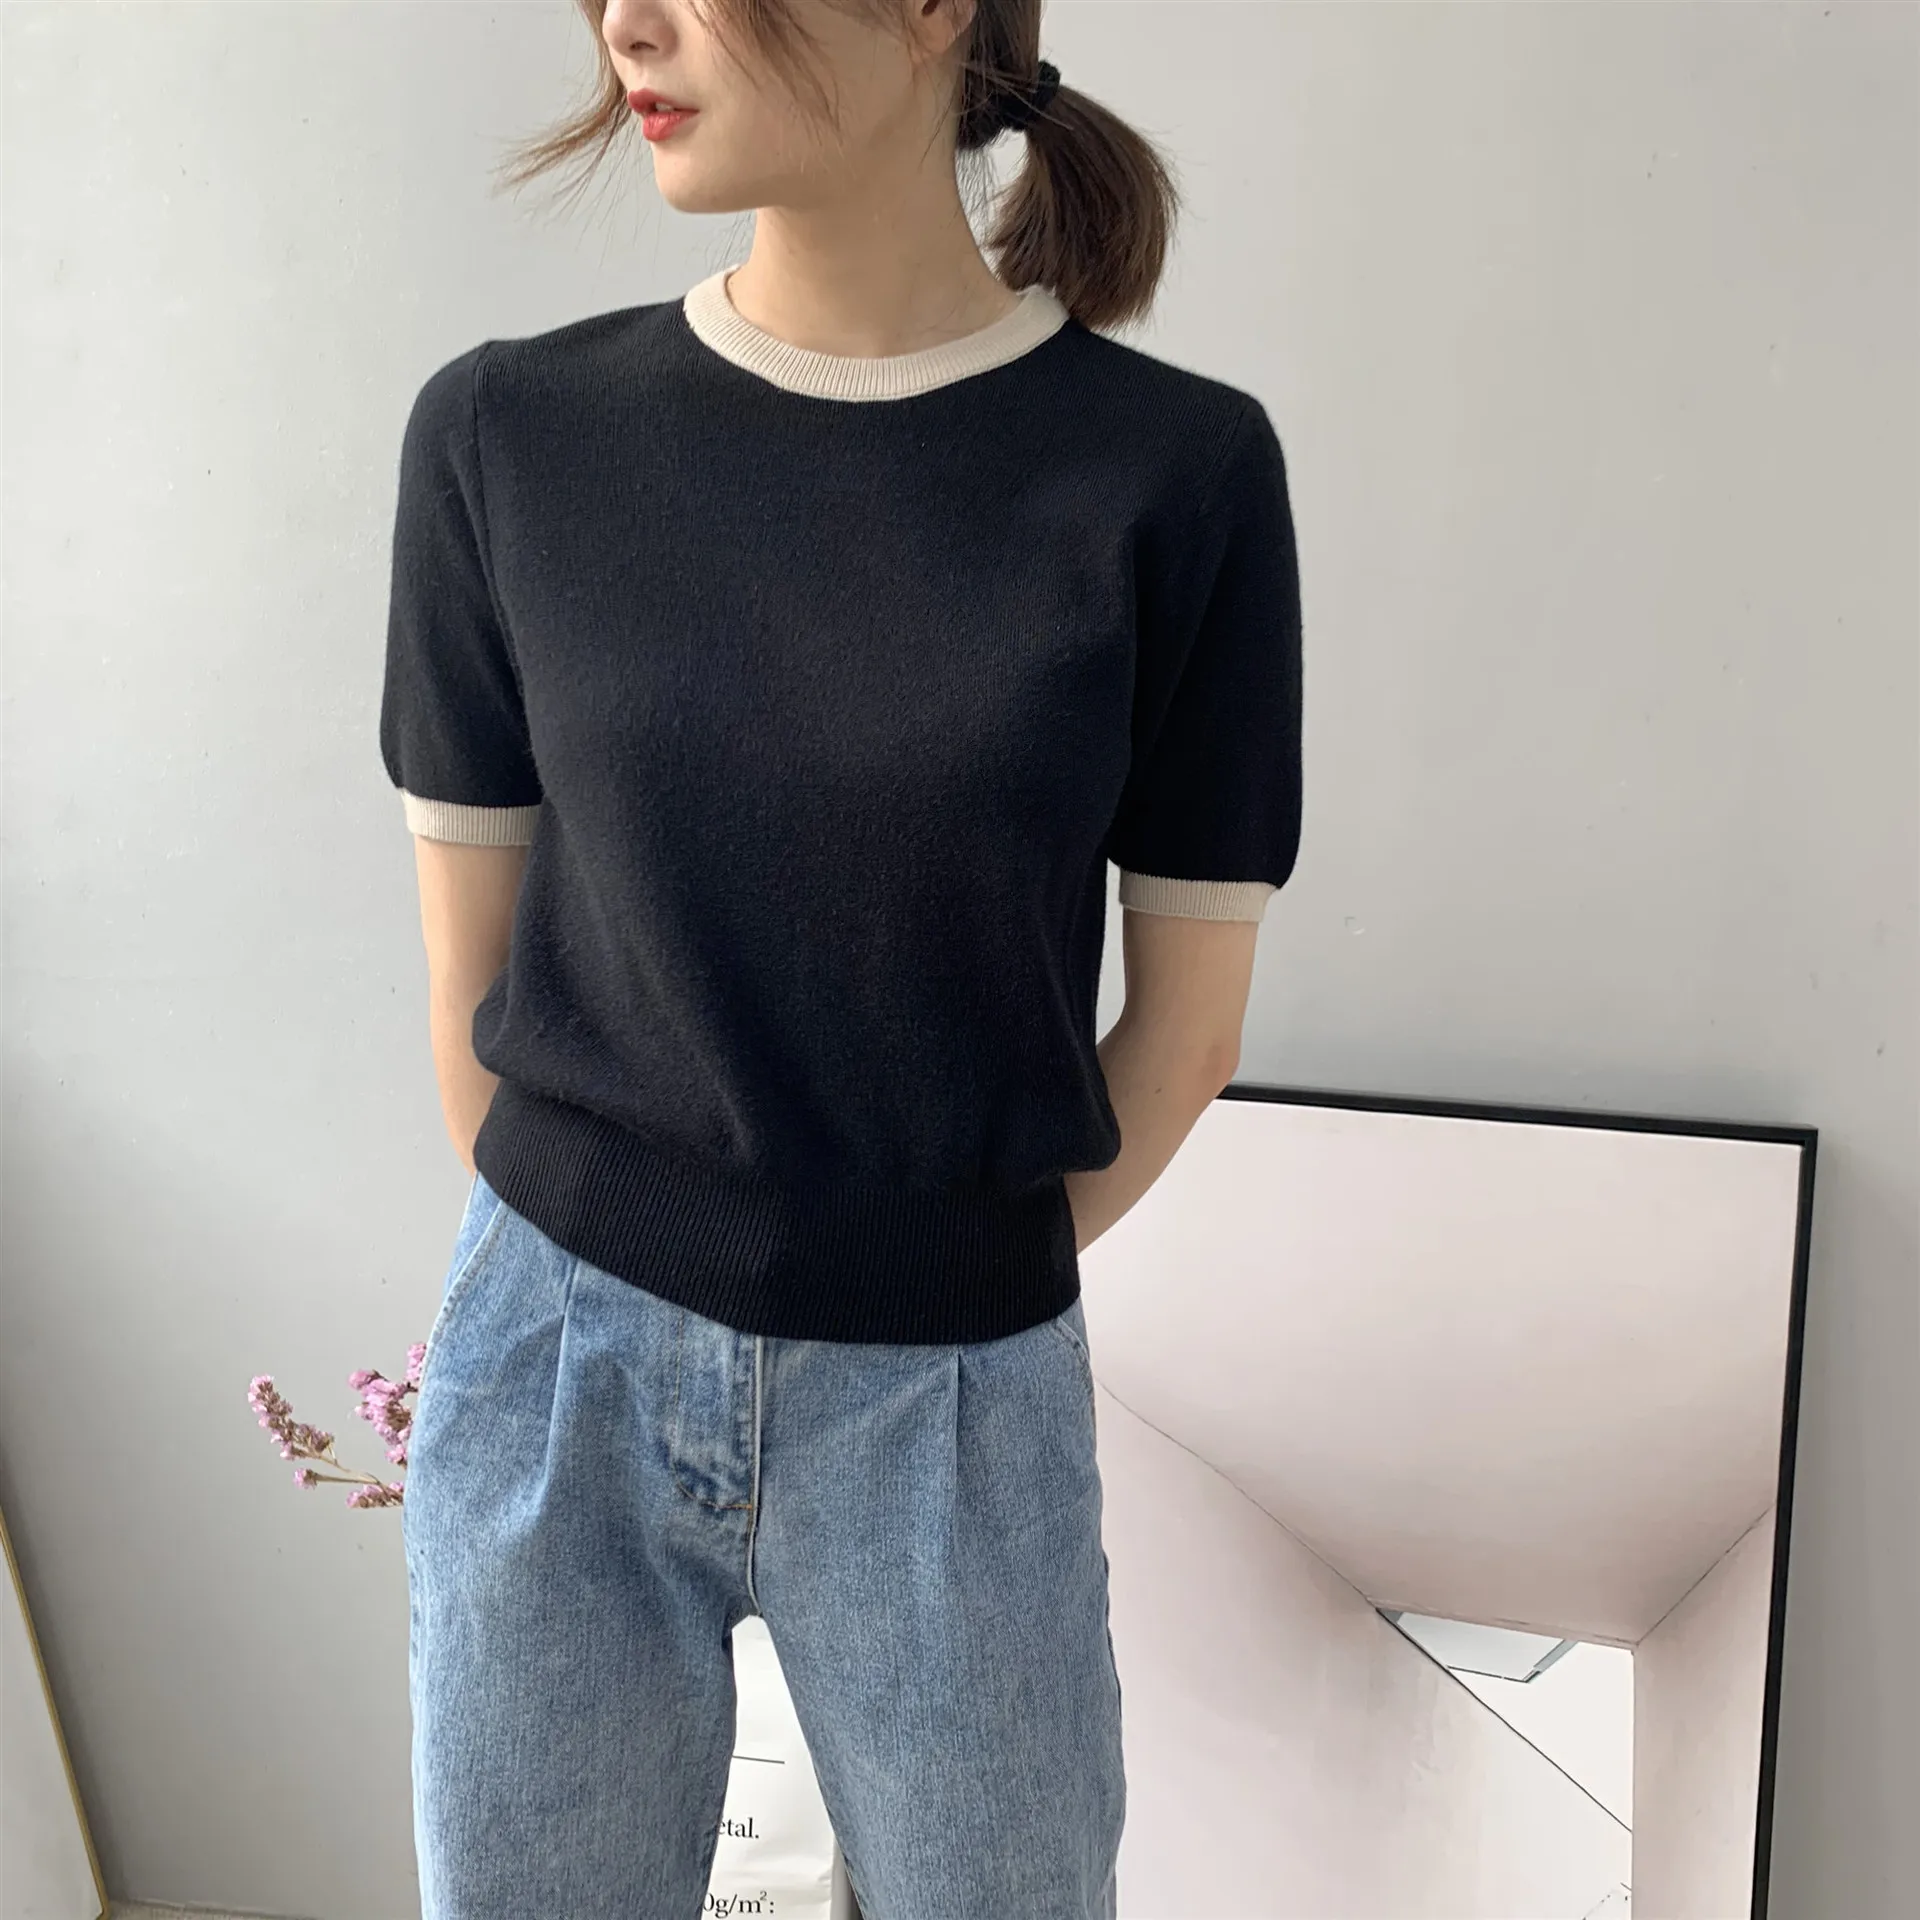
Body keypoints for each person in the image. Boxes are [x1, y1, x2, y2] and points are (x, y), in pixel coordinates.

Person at [378, 0, 1302, 1913]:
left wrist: (934, 1270)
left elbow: (1188, 1031)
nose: (627, 21)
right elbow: (471, 996)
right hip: (557, 1367)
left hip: (955, 1401)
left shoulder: (1178, 475)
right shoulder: (505, 436)